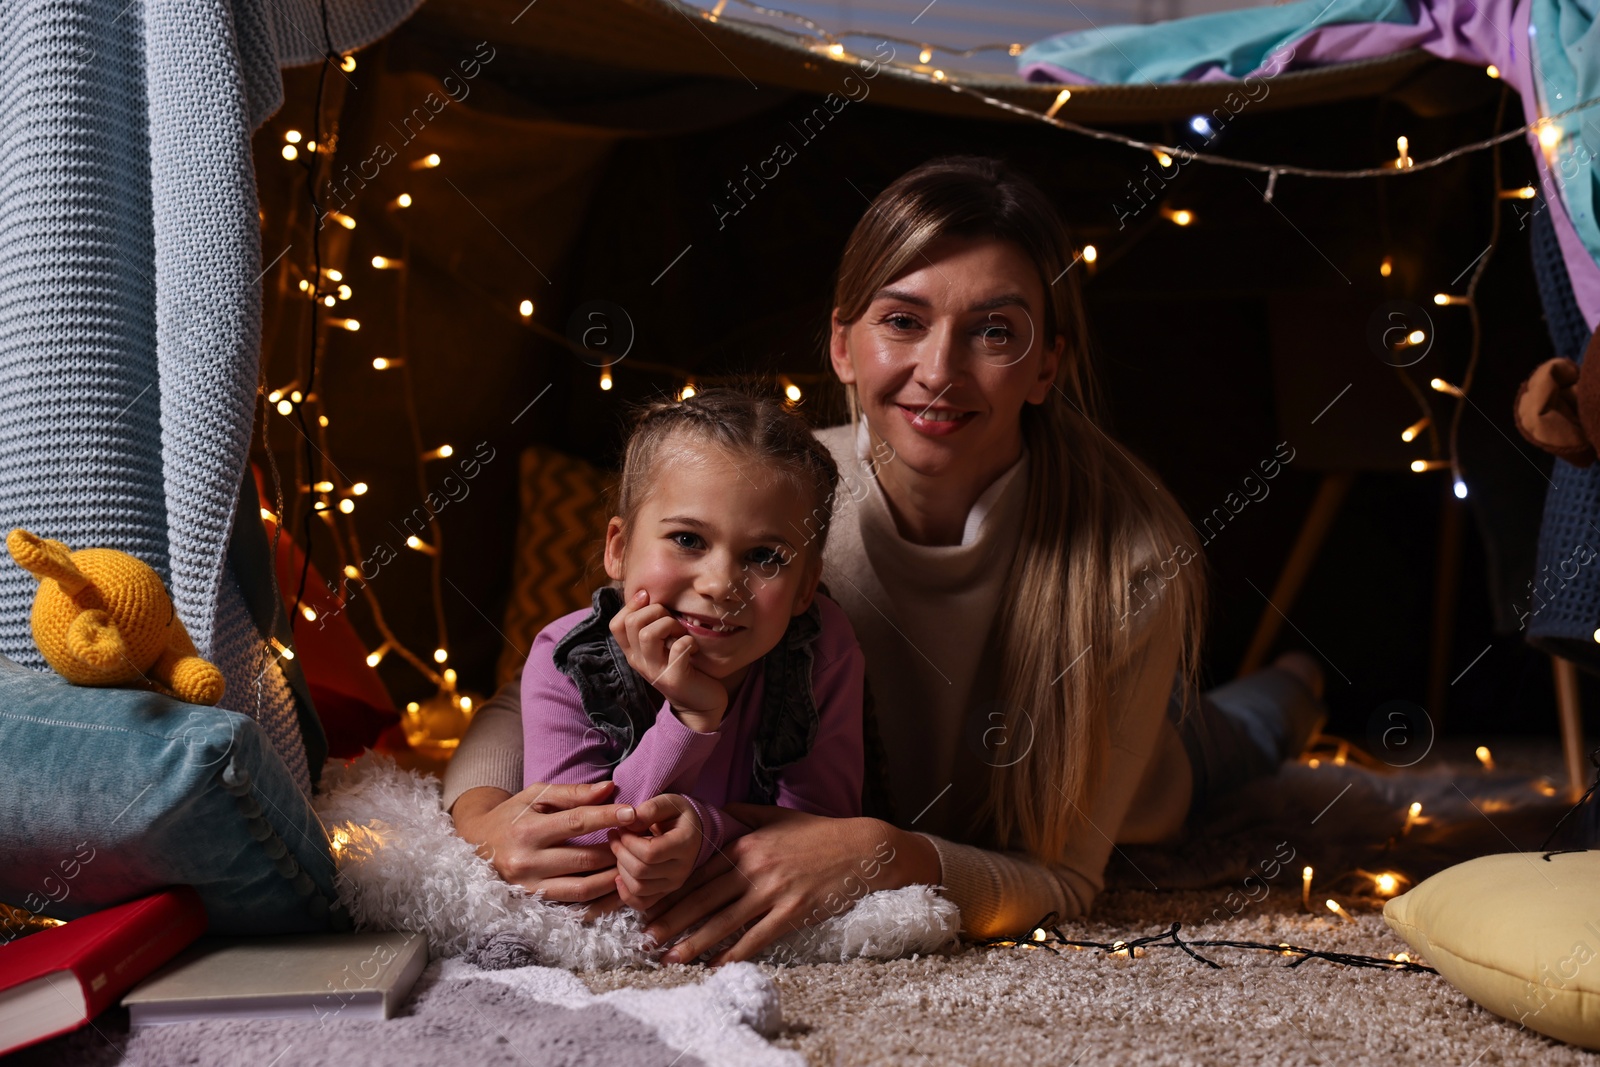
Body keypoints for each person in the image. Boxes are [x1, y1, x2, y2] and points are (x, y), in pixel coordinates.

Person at [444, 155, 1327, 965]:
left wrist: (888, 853)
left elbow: (1064, 880)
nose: (938, 370)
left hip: (1138, 776)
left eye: (995, 332)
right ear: (842, 346)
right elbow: (545, 682)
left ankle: (1288, 692)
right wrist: (481, 819)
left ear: (1048, 364)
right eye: (903, 320)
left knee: (1214, 753)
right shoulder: (770, 507)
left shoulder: (1129, 562)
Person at [518, 389, 865, 914]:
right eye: (687, 540)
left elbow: (823, 841)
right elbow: (575, 856)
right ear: (618, 548)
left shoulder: (822, 652)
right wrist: (692, 716)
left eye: (764, 556)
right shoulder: (566, 663)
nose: (722, 584)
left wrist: (703, 832)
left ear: (803, 588)